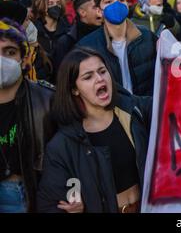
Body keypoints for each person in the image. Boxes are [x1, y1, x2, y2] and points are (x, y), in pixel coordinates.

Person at [37, 48, 151, 213]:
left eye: (102, 71)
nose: (99, 79)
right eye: (88, 77)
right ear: (74, 89)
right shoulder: (63, 145)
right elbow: (50, 205)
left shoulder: (134, 111)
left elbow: (172, 104)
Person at [0, 18, 56, 212]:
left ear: (24, 59)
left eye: (10, 52)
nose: (2, 59)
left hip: (26, 193)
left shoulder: (47, 99)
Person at [77, 0, 157, 96]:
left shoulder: (147, 37)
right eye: (108, 1)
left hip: (146, 109)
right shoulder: (88, 46)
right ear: (99, 11)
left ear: (127, 4)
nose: (116, 4)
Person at [53, 0, 103, 72]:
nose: (99, 11)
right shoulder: (66, 42)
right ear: (82, 13)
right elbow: (62, 74)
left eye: (100, 7)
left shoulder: (106, 34)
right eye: (95, 7)